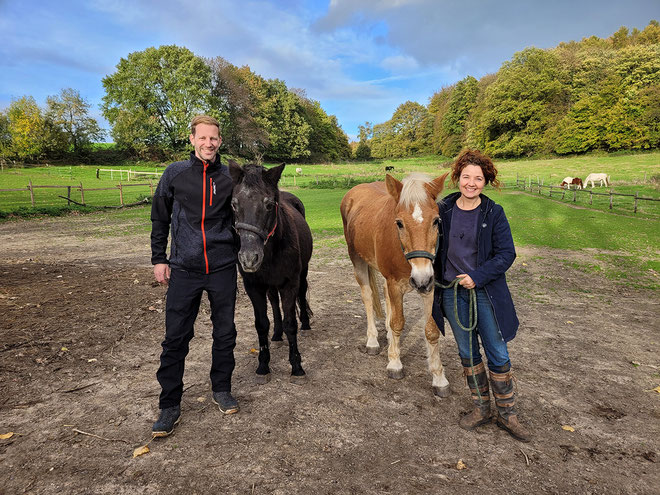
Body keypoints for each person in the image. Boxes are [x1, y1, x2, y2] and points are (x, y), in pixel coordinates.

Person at [432, 149, 531, 442]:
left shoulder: (493, 213)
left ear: (486, 181)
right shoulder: (443, 210)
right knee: (468, 354)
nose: (471, 183)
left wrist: (477, 276)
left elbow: (506, 254)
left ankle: (508, 413)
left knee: (497, 351)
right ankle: (481, 408)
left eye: (478, 178)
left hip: (484, 292)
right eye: (466, 177)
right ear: (457, 178)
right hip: (451, 293)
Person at [150, 115, 239, 438]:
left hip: (222, 266)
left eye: (213, 138)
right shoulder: (175, 173)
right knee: (176, 337)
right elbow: (159, 218)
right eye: (202, 138)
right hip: (184, 268)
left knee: (225, 333)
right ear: (192, 139)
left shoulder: (230, 176)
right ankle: (169, 405)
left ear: (219, 141)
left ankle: (222, 389)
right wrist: (159, 259)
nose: (208, 144)